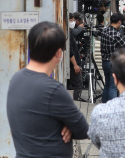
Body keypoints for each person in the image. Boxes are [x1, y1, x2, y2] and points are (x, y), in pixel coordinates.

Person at [7, 21, 89, 157]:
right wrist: (69, 126)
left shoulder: (16, 79)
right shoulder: (53, 90)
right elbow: (83, 130)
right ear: (58, 53)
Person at [100, 13, 125, 103]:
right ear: (119, 22)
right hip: (114, 62)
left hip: (105, 62)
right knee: (113, 87)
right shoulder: (116, 34)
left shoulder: (104, 31)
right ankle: (112, 108)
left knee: (107, 85)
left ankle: (105, 106)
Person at [68, 14, 85, 102]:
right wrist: (75, 65)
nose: (73, 22)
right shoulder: (68, 33)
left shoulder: (69, 32)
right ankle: (75, 102)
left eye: (73, 20)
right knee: (78, 84)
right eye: (71, 20)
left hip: (71, 64)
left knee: (71, 85)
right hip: (71, 65)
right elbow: (70, 51)